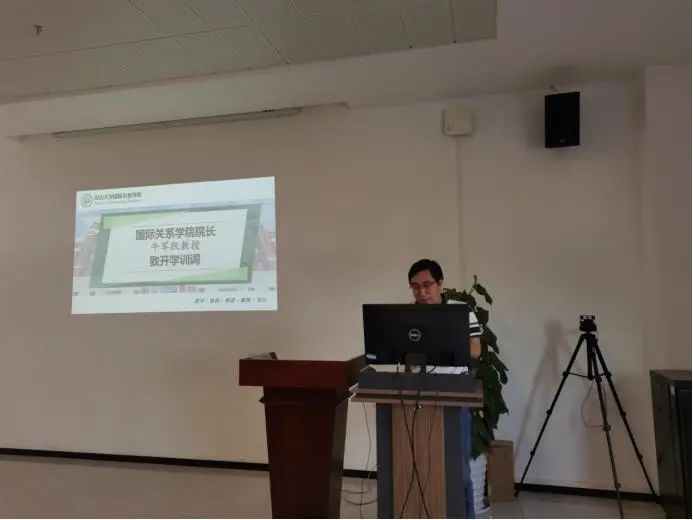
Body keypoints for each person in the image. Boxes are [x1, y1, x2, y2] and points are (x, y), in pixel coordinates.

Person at [408, 258, 482, 359]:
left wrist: (442, 340)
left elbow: (476, 351)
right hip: (418, 368)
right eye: (416, 287)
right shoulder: (406, 313)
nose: (422, 293)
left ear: (440, 283)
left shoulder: (462, 311)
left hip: (452, 369)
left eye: (427, 285)